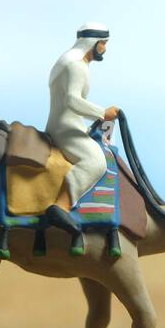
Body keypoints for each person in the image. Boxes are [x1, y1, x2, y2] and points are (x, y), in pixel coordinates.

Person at [42, 23, 119, 255]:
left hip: (71, 124)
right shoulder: (76, 66)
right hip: (64, 128)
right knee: (96, 162)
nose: (105, 48)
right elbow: (72, 101)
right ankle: (61, 205)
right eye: (103, 43)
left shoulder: (73, 62)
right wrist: (102, 113)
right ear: (93, 43)